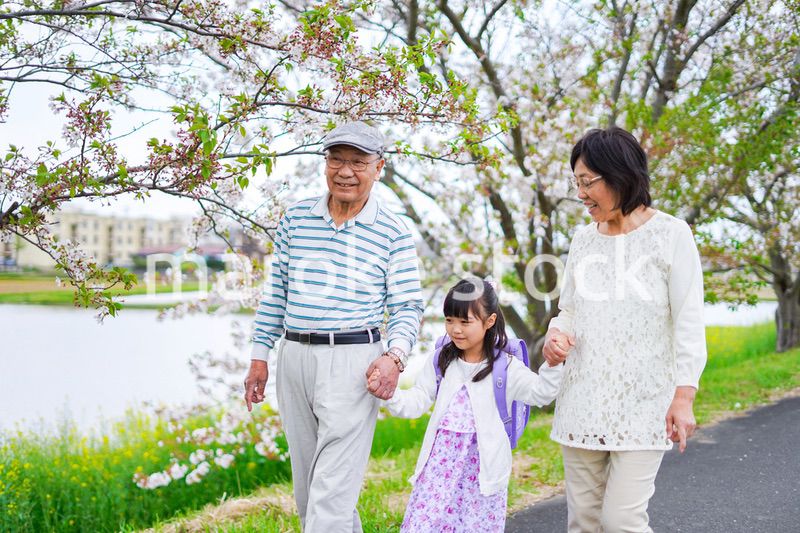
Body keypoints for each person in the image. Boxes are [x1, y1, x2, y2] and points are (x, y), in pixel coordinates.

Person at [243, 121, 424, 532]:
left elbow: (408, 306)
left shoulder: (393, 231)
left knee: (331, 491)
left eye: (358, 162)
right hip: (294, 357)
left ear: (379, 168)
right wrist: (259, 357)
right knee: (311, 489)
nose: (345, 171)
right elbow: (277, 293)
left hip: (353, 363)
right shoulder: (296, 220)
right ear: (325, 164)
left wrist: (395, 358)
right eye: (336, 159)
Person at [542, 126, 707, 532]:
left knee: (622, 521)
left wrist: (683, 396)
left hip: (643, 402)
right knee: (584, 521)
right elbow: (569, 310)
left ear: (619, 175)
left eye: (587, 182)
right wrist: (556, 334)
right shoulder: (582, 240)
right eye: (576, 183)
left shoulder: (670, 235)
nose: (580, 194)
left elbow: (689, 319)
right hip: (582, 400)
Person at [369, 279, 563, 532]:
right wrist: (389, 393)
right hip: (438, 471)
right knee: (422, 526)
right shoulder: (442, 359)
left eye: (465, 321)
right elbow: (416, 402)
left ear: (489, 321)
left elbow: (542, 393)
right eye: (449, 320)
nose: (455, 329)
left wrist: (553, 363)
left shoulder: (506, 367)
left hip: (482, 474)